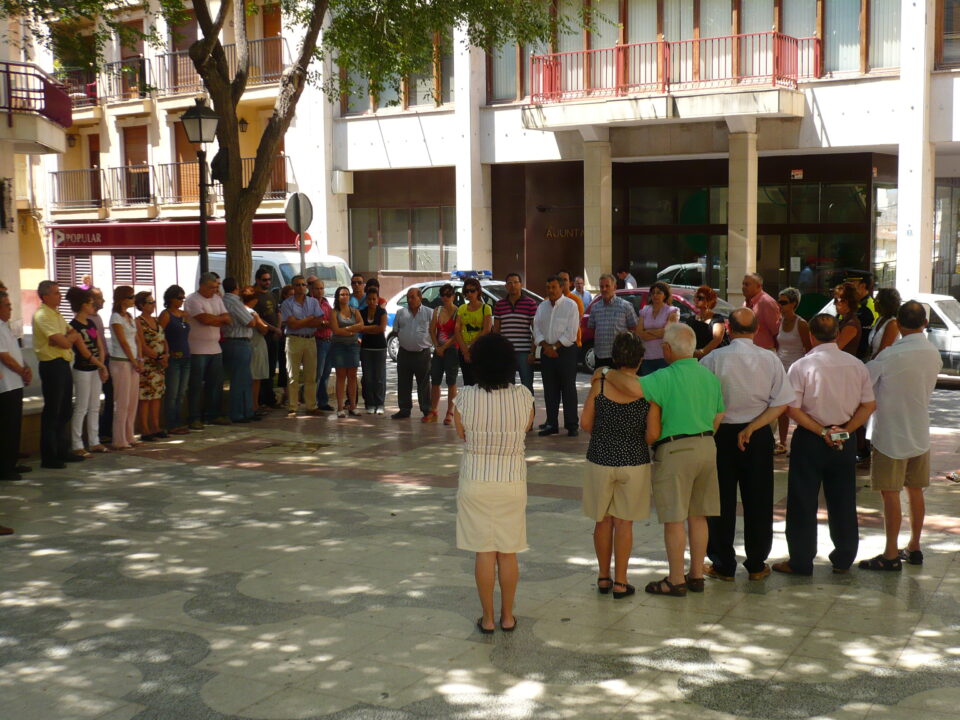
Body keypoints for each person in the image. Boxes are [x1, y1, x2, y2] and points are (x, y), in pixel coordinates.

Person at [597, 323, 725, 597]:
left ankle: (676, 579)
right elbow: (719, 415)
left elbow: (632, 388)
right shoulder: (709, 377)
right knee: (699, 515)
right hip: (707, 446)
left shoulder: (664, 376)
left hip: (676, 450)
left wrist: (606, 372)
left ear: (667, 348)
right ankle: (696, 575)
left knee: (675, 519)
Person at [772, 314, 876, 576]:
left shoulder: (801, 366)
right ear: (837, 333)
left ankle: (801, 560)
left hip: (811, 437)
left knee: (802, 500)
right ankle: (843, 558)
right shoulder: (856, 365)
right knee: (843, 499)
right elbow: (869, 405)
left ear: (811, 336)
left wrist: (821, 430)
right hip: (845, 437)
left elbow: (791, 409)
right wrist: (845, 430)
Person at [700, 309, 795, 582]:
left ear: (728, 328)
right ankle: (755, 564)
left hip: (721, 434)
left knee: (721, 501)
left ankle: (722, 563)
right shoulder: (770, 359)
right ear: (755, 330)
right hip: (758, 433)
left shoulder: (713, 359)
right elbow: (781, 402)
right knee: (759, 499)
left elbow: (704, 400)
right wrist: (753, 427)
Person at [453, 333, 535, 633]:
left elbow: (461, 432)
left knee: (484, 552)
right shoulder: (524, 396)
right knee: (508, 551)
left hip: (476, 480)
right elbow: (526, 427)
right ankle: (508, 616)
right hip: (512, 482)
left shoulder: (465, 396)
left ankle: (487, 618)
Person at [858, 301, 942, 570]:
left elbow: (864, 384)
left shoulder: (888, 356)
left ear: (899, 324)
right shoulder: (933, 353)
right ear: (925, 323)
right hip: (919, 431)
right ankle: (915, 546)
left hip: (890, 433)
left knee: (890, 492)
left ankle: (891, 553)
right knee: (916, 490)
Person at [580, 333, 656, 599]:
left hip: (600, 457)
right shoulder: (647, 389)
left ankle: (603, 577)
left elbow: (586, 424)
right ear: (641, 359)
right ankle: (622, 582)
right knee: (624, 524)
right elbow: (651, 435)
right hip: (634, 461)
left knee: (603, 521)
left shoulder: (600, 384)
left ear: (614, 357)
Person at [33, 281, 82, 468]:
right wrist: (64, 340)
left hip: (63, 363)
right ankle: (49, 456)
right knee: (52, 411)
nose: (59, 296)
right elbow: (65, 341)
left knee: (64, 410)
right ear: (45, 296)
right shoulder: (43, 315)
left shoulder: (57, 314)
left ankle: (63, 450)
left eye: (59, 292)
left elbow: (72, 333)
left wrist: (64, 339)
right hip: (51, 365)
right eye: (55, 293)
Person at [533, 275, 580, 437]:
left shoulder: (571, 305)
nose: (550, 290)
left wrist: (555, 347)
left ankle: (572, 424)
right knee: (550, 390)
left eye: (554, 287)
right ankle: (551, 423)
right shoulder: (542, 306)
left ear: (561, 288)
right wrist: (546, 346)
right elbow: (536, 328)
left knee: (568, 389)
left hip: (565, 351)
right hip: (547, 352)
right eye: (548, 287)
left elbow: (571, 332)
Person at [66, 287, 109, 457]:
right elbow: (83, 351)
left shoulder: (91, 323)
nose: (93, 306)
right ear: (83, 305)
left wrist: (101, 363)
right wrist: (102, 365)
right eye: (91, 303)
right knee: (81, 407)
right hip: (83, 369)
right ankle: (77, 444)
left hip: (95, 368)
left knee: (95, 406)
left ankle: (94, 441)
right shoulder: (73, 325)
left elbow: (99, 344)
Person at [184, 273, 231, 429]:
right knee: (196, 385)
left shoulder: (217, 299)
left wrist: (215, 320)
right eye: (211, 287)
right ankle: (194, 417)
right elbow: (203, 320)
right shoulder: (192, 300)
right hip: (197, 349)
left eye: (216, 287)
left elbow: (227, 318)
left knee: (215, 384)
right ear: (202, 285)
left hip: (215, 348)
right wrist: (218, 320)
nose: (214, 290)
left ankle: (213, 414)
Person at [280, 275, 324, 418]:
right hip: (294, 340)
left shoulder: (313, 302)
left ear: (307, 286)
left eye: (303, 284)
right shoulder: (287, 304)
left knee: (311, 376)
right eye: (298, 285)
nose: (301, 287)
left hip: (310, 340)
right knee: (293, 375)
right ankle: (293, 407)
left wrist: (301, 322)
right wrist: (310, 318)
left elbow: (319, 321)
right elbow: (292, 324)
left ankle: (311, 406)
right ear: (293, 287)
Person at [775, 287, 811, 454]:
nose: (779, 305)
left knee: (797, 407)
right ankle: (782, 442)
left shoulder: (801, 324)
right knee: (781, 406)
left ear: (794, 304)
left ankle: (798, 444)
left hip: (797, 369)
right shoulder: (779, 321)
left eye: (783, 302)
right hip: (781, 368)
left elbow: (809, 349)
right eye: (779, 301)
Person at [0, 290, 32, 480]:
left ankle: (11, 462)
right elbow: (4, 356)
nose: (10, 309)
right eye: (7, 305)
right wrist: (21, 371)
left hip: (15, 382)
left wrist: (25, 368)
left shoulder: (6, 326)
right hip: (5, 384)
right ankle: (4, 467)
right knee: (6, 427)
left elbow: (15, 353)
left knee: (14, 426)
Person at [109, 285, 144, 450]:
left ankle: (129, 434)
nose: (133, 300)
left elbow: (137, 339)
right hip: (121, 362)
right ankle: (119, 438)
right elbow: (122, 341)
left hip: (133, 362)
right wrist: (133, 360)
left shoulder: (129, 316)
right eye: (131, 297)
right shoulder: (116, 318)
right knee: (122, 401)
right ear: (123, 299)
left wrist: (140, 358)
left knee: (132, 400)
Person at [492, 273, 538, 393]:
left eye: (516, 282)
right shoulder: (500, 305)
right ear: (506, 286)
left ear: (521, 284)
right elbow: (496, 330)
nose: (513, 285)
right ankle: (509, 412)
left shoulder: (530, 304)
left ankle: (529, 412)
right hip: (506, 352)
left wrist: (533, 352)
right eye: (509, 283)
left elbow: (536, 330)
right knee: (506, 387)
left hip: (524, 352)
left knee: (527, 386)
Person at [222, 279, 259, 424]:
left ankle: (246, 411)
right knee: (240, 380)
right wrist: (253, 317)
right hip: (238, 341)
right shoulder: (234, 301)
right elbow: (250, 322)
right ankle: (238, 413)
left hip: (232, 342)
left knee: (243, 378)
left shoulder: (222, 300)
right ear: (236, 287)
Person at [394, 287, 433, 421]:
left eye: (412, 297)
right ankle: (404, 409)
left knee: (424, 383)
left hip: (422, 353)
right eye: (408, 297)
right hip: (404, 353)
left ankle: (426, 409)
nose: (410, 300)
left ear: (420, 298)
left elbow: (434, 332)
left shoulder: (429, 313)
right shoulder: (400, 313)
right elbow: (396, 331)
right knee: (403, 382)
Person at [135, 291, 168, 440]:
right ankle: (145, 429)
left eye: (154, 302)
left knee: (157, 397)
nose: (153, 305)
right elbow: (141, 343)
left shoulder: (156, 320)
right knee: (145, 398)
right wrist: (157, 357)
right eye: (150, 302)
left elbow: (163, 338)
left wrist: (166, 354)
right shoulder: (138, 321)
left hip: (159, 365)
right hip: (148, 364)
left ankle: (155, 426)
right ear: (141, 305)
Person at [158, 285, 191, 434]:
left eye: (183, 297)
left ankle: (178, 421)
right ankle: (171, 424)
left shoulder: (183, 314)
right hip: (174, 358)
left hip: (186, 356)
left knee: (182, 392)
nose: (182, 300)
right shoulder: (165, 315)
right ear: (170, 298)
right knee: (172, 392)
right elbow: (159, 335)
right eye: (179, 298)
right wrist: (166, 352)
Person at [587, 273, 637, 369]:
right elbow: (592, 329)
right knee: (601, 383)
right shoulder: (595, 307)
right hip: (600, 356)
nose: (604, 289)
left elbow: (634, 329)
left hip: (620, 357)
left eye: (607, 286)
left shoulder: (625, 306)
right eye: (601, 287)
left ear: (615, 287)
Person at [330, 286, 363, 418]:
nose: (345, 297)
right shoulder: (334, 312)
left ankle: (353, 406)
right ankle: (340, 407)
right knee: (341, 376)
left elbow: (361, 325)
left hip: (353, 346)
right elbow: (336, 330)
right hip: (339, 347)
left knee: (353, 376)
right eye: (342, 294)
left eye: (347, 294)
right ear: (338, 297)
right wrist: (352, 330)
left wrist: (348, 329)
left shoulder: (355, 311)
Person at [429, 283, 460, 426]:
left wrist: (444, 347)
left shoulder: (457, 311)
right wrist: (437, 346)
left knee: (451, 381)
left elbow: (457, 334)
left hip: (452, 349)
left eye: (448, 295)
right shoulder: (437, 310)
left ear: (453, 296)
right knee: (435, 379)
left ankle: (450, 412)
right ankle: (434, 410)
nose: (445, 297)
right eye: (443, 295)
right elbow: (431, 330)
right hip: (438, 349)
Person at [455, 277, 493, 387]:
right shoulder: (461, 308)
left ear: (478, 291)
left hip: (480, 349)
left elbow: (486, 330)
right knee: (468, 383)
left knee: (481, 382)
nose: (469, 293)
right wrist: (465, 351)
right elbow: (457, 330)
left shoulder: (486, 308)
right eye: (467, 291)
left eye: (472, 290)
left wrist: (471, 347)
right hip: (464, 350)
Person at [636, 281, 679, 375]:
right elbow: (639, 334)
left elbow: (667, 332)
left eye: (659, 292)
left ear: (665, 295)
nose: (655, 295)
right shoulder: (645, 310)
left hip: (664, 357)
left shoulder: (671, 311)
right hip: (646, 357)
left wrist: (647, 332)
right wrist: (659, 332)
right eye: (653, 293)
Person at [253, 267, 282, 409]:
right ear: (257, 280)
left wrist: (279, 327)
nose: (267, 282)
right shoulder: (254, 296)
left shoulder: (271, 294)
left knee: (270, 369)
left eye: (269, 279)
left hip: (274, 337)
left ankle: (269, 398)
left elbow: (277, 312)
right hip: (262, 336)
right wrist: (274, 328)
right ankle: (260, 400)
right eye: (264, 280)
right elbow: (258, 319)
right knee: (261, 370)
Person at [359, 285, 388, 414]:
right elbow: (360, 328)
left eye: (374, 299)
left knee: (379, 377)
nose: (371, 301)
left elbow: (381, 329)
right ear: (366, 300)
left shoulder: (382, 312)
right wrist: (372, 328)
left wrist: (366, 328)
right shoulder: (362, 312)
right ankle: (370, 403)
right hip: (366, 348)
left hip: (380, 348)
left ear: (378, 300)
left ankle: (380, 403)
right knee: (368, 378)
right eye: (369, 299)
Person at [307, 277, 335, 412]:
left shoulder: (326, 303)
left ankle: (323, 402)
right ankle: (312, 403)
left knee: (326, 373)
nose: (320, 291)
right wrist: (323, 323)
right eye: (317, 288)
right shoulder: (310, 303)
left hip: (329, 341)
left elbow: (331, 320)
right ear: (311, 289)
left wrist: (326, 323)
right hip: (318, 342)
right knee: (317, 374)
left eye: (322, 288)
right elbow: (315, 322)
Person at [247, 288, 270, 417]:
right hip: (255, 345)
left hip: (252, 345)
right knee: (255, 378)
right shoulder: (251, 312)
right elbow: (263, 329)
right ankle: (253, 406)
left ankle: (253, 405)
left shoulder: (240, 309)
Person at [741, 273, 780, 351]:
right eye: (743, 284)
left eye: (747, 284)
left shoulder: (767, 302)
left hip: (764, 351)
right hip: (748, 350)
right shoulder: (746, 303)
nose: (743, 287)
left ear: (758, 286)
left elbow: (776, 331)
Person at [686, 285, 727, 360]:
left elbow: (717, 339)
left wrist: (702, 352)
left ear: (709, 301)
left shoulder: (717, 318)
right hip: (694, 358)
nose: (696, 299)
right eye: (695, 297)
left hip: (711, 359)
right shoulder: (691, 319)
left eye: (700, 298)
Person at [868, 288, 901, 360]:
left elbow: (882, 352)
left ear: (885, 303)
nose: (873, 302)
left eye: (876, 300)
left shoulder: (893, 324)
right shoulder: (880, 319)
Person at [557, 270, 585, 349]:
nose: (562, 282)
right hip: (552, 343)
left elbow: (577, 322)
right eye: (560, 279)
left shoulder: (576, 301)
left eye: (565, 280)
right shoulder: (549, 300)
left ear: (570, 283)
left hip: (571, 343)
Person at [834, 282, 862, 356]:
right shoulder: (845, 321)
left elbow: (835, 349)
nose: (834, 303)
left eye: (837, 300)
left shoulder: (851, 325)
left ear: (846, 302)